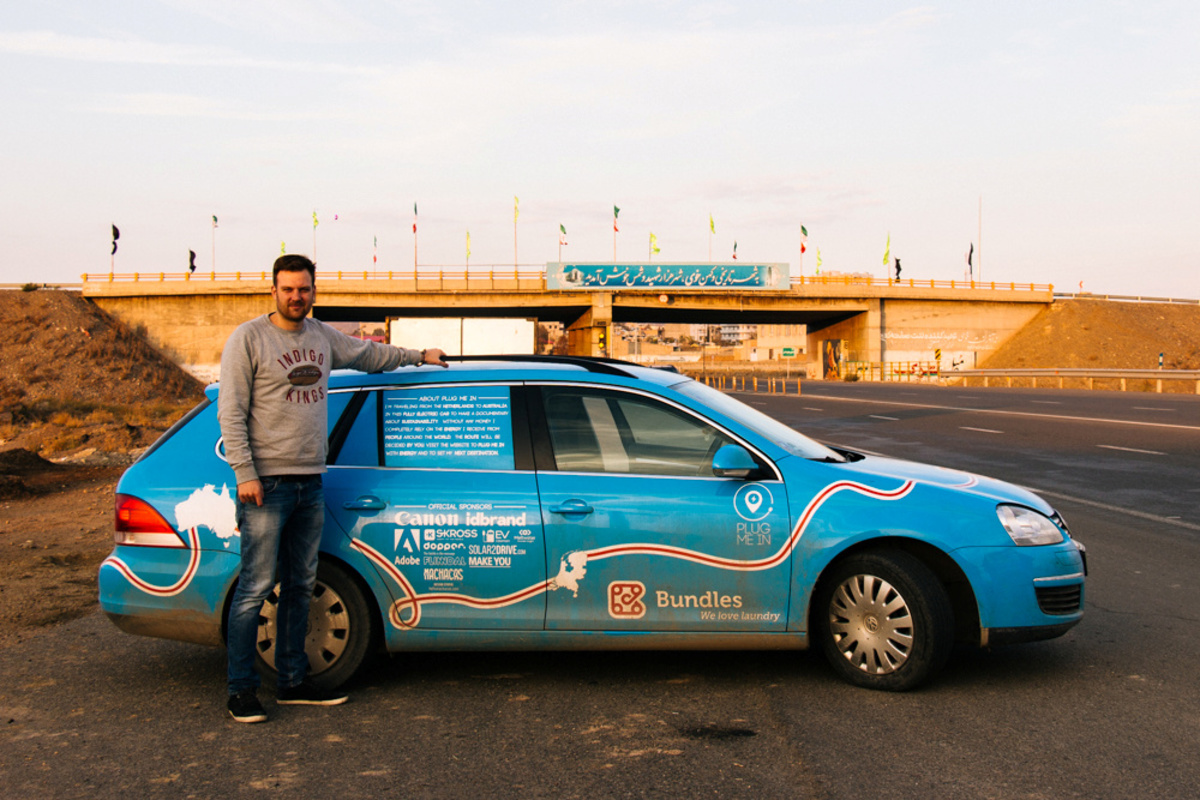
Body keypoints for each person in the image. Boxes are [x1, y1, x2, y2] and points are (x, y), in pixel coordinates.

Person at [218, 254, 447, 723]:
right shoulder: (249, 338)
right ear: (273, 291)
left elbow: (368, 355)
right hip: (266, 483)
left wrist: (418, 355)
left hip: (310, 481)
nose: (296, 297)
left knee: (301, 585)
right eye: (287, 289)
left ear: (313, 291)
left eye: (303, 289)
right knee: (255, 588)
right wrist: (244, 472)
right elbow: (231, 410)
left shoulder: (321, 336)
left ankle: (293, 682)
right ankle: (241, 690)